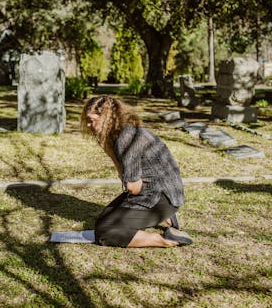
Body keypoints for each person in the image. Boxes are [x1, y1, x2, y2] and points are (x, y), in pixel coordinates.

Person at [80, 95, 193, 248]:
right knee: (103, 220)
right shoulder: (121, 133)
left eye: (93, 120)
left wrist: (131, 196)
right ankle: (168, 218)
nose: (89, 125)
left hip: (161, 197)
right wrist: (109, 149)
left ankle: (167, 240)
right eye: (87, 120)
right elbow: (128, 180)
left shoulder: (126, 137)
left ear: (107, 118)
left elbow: (133, 187)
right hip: (163, 192)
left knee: (105, 231)